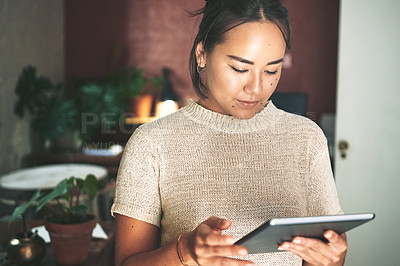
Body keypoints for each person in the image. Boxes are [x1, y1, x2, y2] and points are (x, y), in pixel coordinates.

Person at [111, 0, 348, 265]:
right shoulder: (152, 143)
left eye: (272, 70)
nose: (256, 88)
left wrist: (333, 258)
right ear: (202, 53)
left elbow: (327, 254)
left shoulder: (307, 139)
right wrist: (185, 253)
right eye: (240, 68)